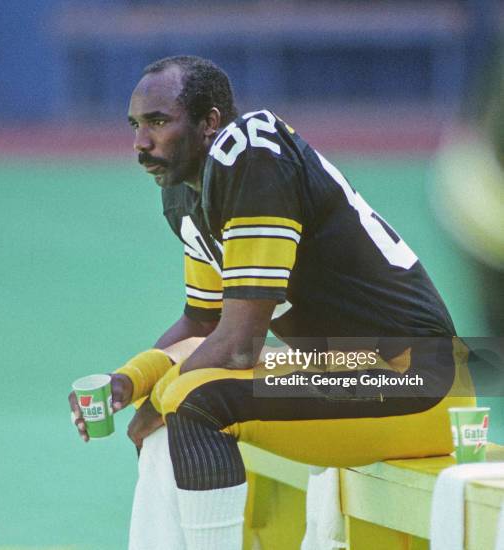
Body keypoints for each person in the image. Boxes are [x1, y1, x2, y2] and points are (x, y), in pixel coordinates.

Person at [69, 55, 475, 550]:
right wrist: (129, 381)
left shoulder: (253, 152)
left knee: (194, 402)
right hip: (343, 368)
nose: (141, 142)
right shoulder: (185, 193)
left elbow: (238, 345)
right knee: (168, 415)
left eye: (158, 122)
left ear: (210, 122)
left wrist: (158, 399)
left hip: (416, 376)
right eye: (135, 125)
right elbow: (204, 322)